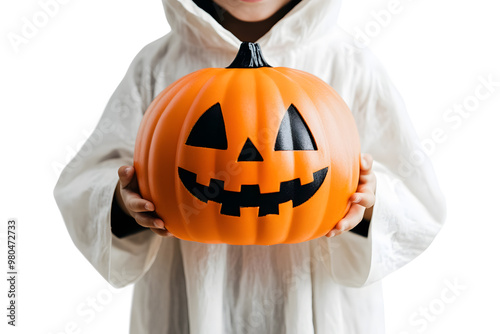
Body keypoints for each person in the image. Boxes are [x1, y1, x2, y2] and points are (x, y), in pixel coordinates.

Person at [53, 0, 446, 333]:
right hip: (188, 307)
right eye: (212, 133)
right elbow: (87, 181)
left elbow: (415, 197)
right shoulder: (156, 65)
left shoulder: (351, 64)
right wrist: (122, 205)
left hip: (319, 312)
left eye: (289, 137)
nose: (250, 162)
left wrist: (370, 207)